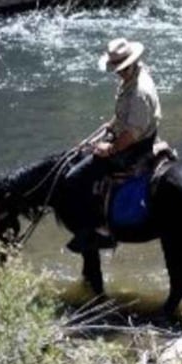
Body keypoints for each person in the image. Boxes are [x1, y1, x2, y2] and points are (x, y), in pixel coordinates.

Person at [62, 38, 162, 253]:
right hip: (133, 135)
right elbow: (124, 117)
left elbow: (133, 133)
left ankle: (98, 231)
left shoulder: (139, 92)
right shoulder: (134, 76)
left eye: (121, 68)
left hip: (134, 146)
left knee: (74, 178)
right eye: (117, 68)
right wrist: (109, 126)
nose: (118, 72)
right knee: (84, 155)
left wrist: (111, 148)